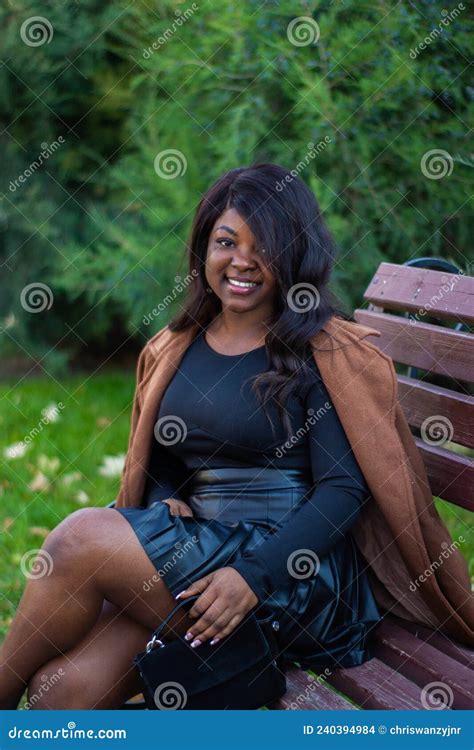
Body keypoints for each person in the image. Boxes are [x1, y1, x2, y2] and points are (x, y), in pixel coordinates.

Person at [1, 164, 467, 710]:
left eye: (263, 245)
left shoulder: (323, 351)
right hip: (198, 557)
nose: (241, 261)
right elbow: (168, 456)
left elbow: (344, 490)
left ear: (295, 253)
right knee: (62, 694)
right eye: (226, 241)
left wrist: (254, 575)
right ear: (204, 248)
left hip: (295, 577)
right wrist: (160, 496)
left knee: (82, 539)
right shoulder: (179, 343)